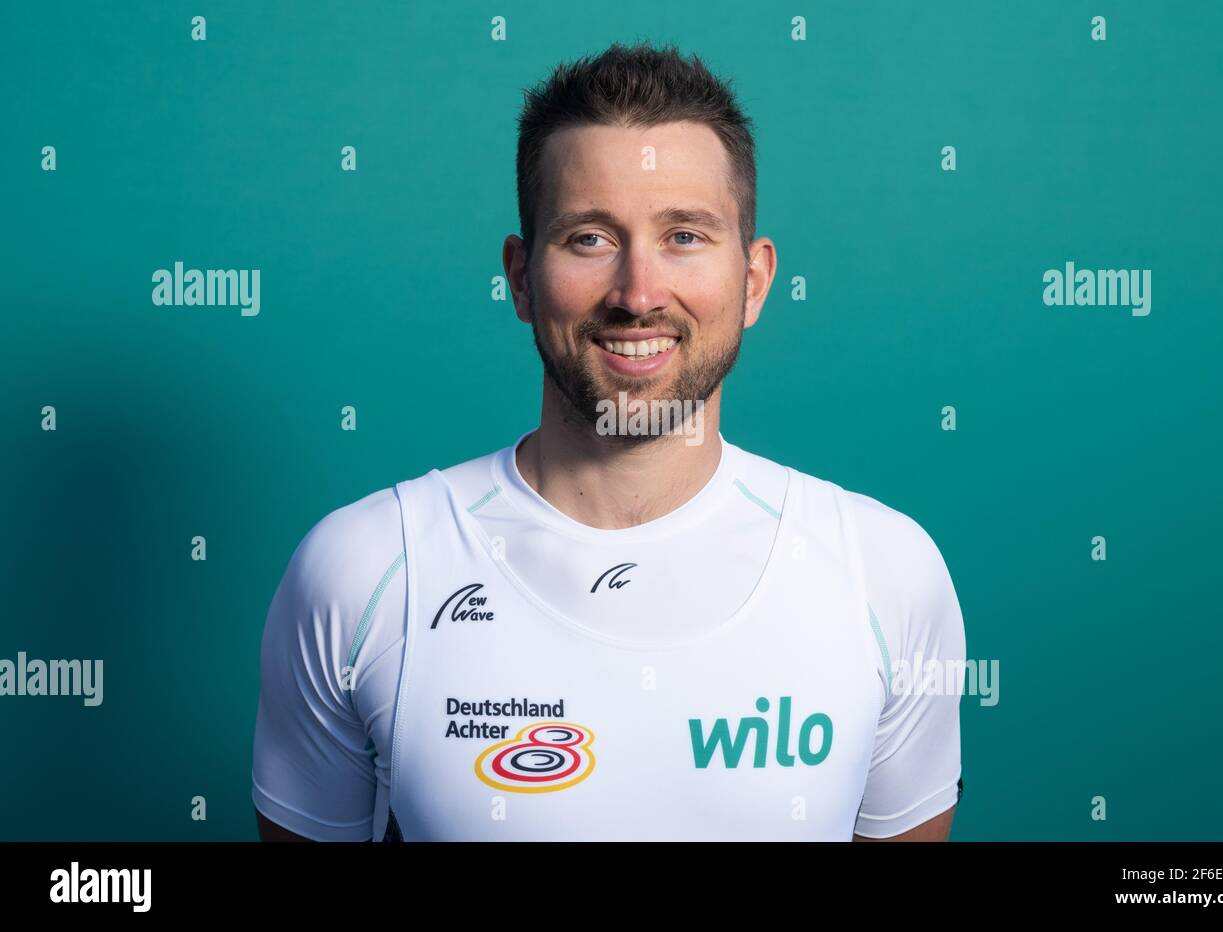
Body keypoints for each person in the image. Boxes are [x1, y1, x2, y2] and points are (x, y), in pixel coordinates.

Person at [251, 41, 965, 842]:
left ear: (755, 281)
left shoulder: (886, 574)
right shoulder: (366, 570)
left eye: (685, 236)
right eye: (590, 238)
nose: (638, 293)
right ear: (521, 278)